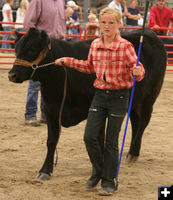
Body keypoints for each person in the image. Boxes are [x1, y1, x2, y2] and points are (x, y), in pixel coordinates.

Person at [55, 7, 145, 196]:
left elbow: (137, 68)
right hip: (99, 96)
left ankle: (108, 181)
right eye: (103, 22)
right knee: (89, 137)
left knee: (111, 142)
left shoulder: (125, 46)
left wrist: (138, 72)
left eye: (111, 23)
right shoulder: (95, 45)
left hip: (119, 97)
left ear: (119, 24)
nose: (106, 26)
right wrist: (68, 61)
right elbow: (89, 67)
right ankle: (98, 170)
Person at [24, 0, 66, 126]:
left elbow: (61, 23)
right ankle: (30, 114)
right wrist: (37, 41)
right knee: (35, 82)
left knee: (52, 83)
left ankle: (45, 114)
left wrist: (63, 39)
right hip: (42, 46)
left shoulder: (61, 1)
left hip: (57, 45)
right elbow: (29, 23)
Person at [148, 0, 173, 64]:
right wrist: (154, 24)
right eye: (159, 1)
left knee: (171, 42)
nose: (161, 2)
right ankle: (149, 62)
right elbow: (152, 17)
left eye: (162, 1)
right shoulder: (153, 9)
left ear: (164, 2)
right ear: (157, 2)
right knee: (149, 45)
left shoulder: (169, 11)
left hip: (162, 33)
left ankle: (170, 62)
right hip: (152, 32)